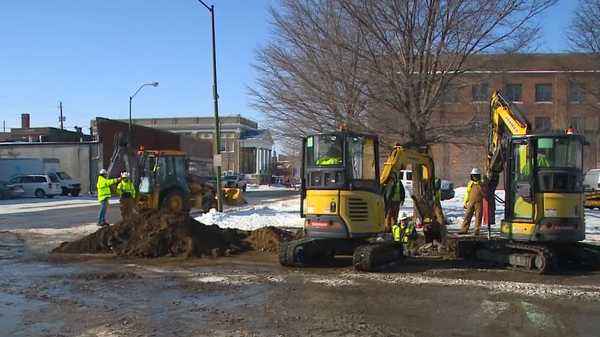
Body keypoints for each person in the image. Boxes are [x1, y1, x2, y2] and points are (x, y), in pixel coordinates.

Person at [459, 168, 484, 235]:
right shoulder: (470, 183)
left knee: (478, 216)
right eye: (473, 175)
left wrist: (480, 185)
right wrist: (465, 202)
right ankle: (464, 229)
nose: (474, 177)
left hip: (479, 202)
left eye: (476, 175)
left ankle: (476, 230)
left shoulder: (482, 183)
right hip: (470, 202)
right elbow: (467, 193)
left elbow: (484, 193)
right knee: (467, 215)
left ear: (479, 176)